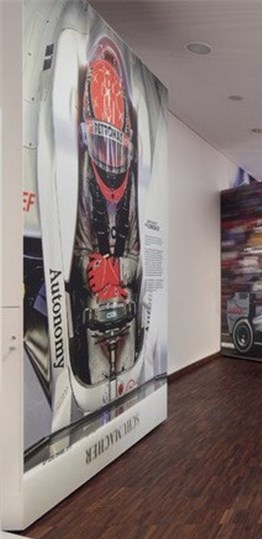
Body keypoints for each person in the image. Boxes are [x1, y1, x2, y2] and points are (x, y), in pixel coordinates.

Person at [71, 36, 141, 388]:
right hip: (95, 303)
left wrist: (117, 270)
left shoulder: (133, 187)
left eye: (116, 146)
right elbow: (76, 251)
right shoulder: (80, 177)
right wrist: (92, 270)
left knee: (127, 375)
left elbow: (138, 254)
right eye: (102, 143)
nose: (109, 157)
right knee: (98, 382)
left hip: (125, 298)